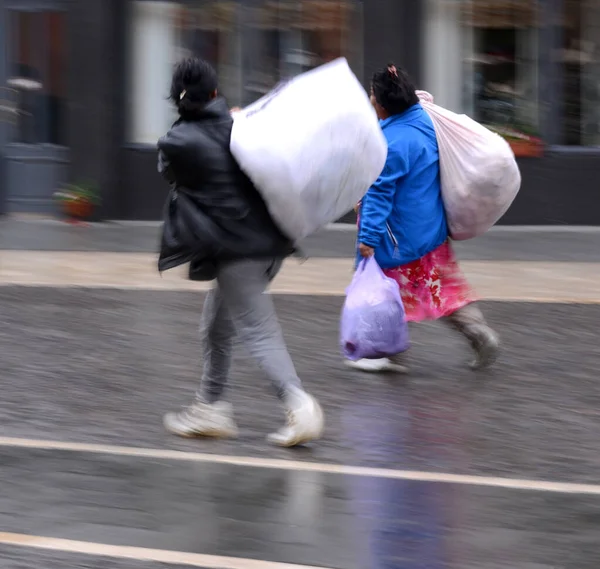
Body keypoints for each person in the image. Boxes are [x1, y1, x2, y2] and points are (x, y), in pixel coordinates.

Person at [158, 57, 323, 447]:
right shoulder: (243, 126)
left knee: (259, 331)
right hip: (271, 243)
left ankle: (299, 405)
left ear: (177, 101)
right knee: (216, 327)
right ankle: (210, 407)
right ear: (215, 92)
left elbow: (168, 170)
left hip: (237, 250)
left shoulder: (176, 141)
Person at [349, 63, 499, 373]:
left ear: (382, 103)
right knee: (441, 288)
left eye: (372, 95)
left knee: (391, 294)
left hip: (400, 238)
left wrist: (368, 238)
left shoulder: (391, 143)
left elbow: (379, 194)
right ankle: (477, 331)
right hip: (430, 229)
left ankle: (386, 353)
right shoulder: (424, 119)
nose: (370, 99)